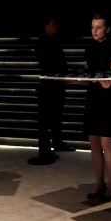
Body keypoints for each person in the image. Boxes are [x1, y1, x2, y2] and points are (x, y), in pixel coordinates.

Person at [82, 14, 111, 200]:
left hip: (108, 99)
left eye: (99, 27)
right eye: (92, 27)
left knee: (107, 144)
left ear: (107, 29)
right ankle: (99, 182)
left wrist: (105, 79)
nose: (95, 31)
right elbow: (87, 76)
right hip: (92, 98)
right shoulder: (89, 48)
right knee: (94, 145)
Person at [29, 15, 74, 165]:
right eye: (53, 24)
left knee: (55, 116)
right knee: (44, 120)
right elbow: (47, 65)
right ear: (45, 25)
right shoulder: (42, 43)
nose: (56, 27)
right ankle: (46, 151)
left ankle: (55, 144)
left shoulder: (54, 41)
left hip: (56, 84)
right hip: (48, 85)